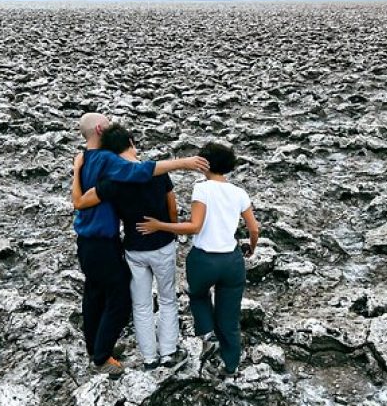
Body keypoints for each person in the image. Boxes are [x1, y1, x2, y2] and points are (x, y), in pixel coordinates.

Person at [71, 113, 207, 379]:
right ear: (100, 128)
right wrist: (184, 163)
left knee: (97, 294)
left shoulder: (86, 160)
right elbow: (141, 172)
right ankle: (104, 356)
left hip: (98, 243)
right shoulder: (111, 162)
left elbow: (80, 201)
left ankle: (109, 351)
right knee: (124, 298)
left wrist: (76, 171)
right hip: (111, 243)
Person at [137, 141, 259, 377]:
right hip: (232, 261)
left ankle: (207, 333)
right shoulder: (239, 193)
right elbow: (254, 229)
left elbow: (194, 226)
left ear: (205, 164)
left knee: (198, 295)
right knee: (230, 316)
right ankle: (231, 367)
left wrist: (159, 225)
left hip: (204, 259)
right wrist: (250, 248)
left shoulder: (202, 188)